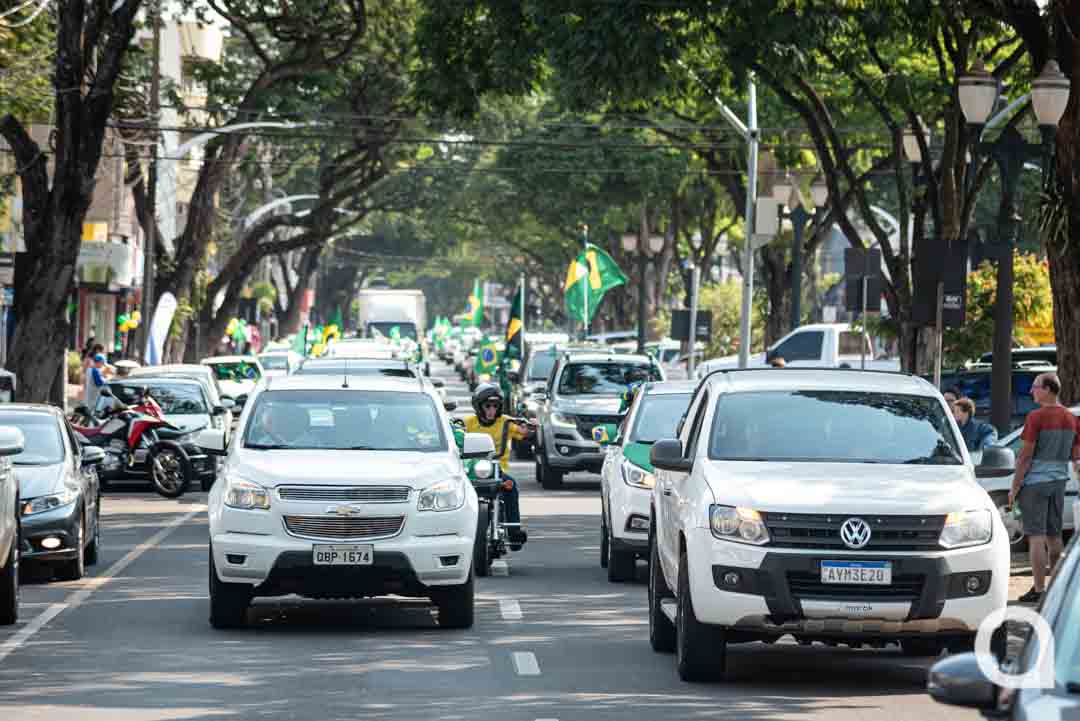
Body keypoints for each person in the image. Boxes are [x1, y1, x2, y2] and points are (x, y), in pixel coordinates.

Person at [1008, 372, 1080, 603]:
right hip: (1059, 482)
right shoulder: (1072, 418)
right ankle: (1057, 589)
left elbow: (1025, 456)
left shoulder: (1036, 417)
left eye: (1035, 387)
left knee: (1036, 538)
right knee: (1054, 536)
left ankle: (1039, 590)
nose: (1031, 391)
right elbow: (1076, 458)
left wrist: (1014, 488)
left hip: (1035, 484)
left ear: (1048, 389)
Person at [464, 383, 532, 544]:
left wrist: (530, 426)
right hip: (472, 471)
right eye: (487, 406)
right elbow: (455, 434)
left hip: (497, 470)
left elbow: (524, 432)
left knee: (510, 486)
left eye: (495, 406)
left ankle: (514, 531)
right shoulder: (468, 423)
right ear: (478, 407)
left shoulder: (506, 421)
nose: (491, 410)